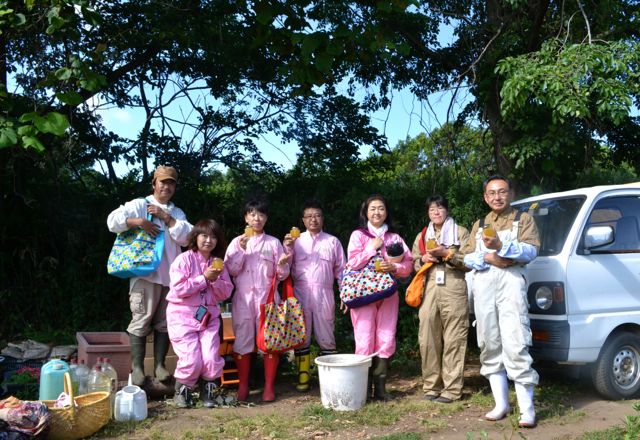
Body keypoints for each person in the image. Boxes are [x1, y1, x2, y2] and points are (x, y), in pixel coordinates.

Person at [462, 175, 540, 428]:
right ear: (486, 197)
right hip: (484, 283)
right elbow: (467, 257)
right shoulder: (480, 223)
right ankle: (501, 404)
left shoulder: (523, 219)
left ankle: (527, 409)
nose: (497, 197)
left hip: (511, 282)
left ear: (511, 194)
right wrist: (488, 258)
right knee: (488, 341)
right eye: (492, 193)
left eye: (502, 191)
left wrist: (502, 246)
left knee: (516, 340)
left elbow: (531, 250)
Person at [107, 165, 192, 386]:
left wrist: (166, 217)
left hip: (172, 278)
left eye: (171, 183)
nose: (167, 186)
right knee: (141, 320)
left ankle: (160, 366)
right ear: (154, 183)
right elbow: (112, 221)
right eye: (163, 182)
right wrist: (139, 222)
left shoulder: (177, 213)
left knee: (165, 323)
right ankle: (137, 368)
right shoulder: (140, 205)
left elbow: (188, 237)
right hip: (144, 275)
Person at [344, 194, 412, 400]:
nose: (377, 212)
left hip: (388, 294)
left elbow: (408, 265)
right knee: (364, 338)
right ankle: (363, 390)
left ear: (386, 212)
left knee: (386, 336)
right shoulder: (358, 236)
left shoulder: (395, 238)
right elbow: (352, 263)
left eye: (381, 208)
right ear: (366, 212)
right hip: (363, 294)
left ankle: (380, 389)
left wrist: (395, 267)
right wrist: (371, 248)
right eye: (372, 208)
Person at [224, 198, 290, 402]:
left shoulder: (273, 243)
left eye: (261, 214)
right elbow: (231, 271)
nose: (257, 218)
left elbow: (282, 275)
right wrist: (241, 250)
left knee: (269, 341)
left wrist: (282, 264)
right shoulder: (237, 242)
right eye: (252, 214)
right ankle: (243, 386)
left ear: (266, 218)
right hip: (244, 299)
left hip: (267, 298)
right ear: (246, 217)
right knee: (243, 342)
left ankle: (269, 387)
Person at [166, 219, 234, 408]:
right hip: (182, 316)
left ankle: (208, 393)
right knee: (191, 358)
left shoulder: (218, 264)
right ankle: (182, 393)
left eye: (213, 237)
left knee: (211, 356)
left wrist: (215, 280)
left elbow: (226, 292)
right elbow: (179, 289)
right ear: (195, 237)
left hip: (208, 317)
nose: (208, 240)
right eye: (204, 235)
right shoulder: (183, 260)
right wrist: (204, 278)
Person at [411, 195, 470, 404]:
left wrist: (447, 254)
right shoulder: (422, 235)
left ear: (447, 210)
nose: (436, 212)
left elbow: (470, 261)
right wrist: (423, 259)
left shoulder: (461, 232)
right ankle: (431, 386)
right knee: (427, 337)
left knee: (455, 337)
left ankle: (452, 389)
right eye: (432, 209)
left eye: (440, 208)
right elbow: (413, 262)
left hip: (453, 286)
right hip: (429, 287)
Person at [283, 199, 345, 392]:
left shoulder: (332, 241)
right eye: (309, 216)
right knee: (301, 335)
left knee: (326, 335)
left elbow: (342, 270)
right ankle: (303, 377)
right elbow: (283, 269)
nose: (313, 219)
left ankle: (330, 378)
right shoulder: (295, 241)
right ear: (303, 220)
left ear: (322, 218)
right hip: (300, 292)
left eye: (317, 215)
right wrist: (287, 248)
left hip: (324, 292)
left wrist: (344, 293)